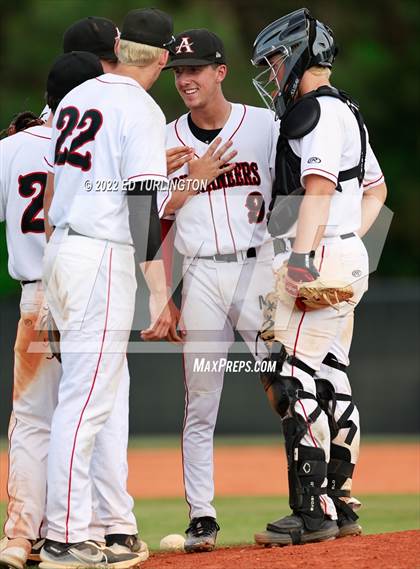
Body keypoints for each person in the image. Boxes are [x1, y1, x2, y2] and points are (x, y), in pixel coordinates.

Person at [40, 8, 174, 568]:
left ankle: (113, 529)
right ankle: (65, 536)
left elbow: (54, 195)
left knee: (99, 394)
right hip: (101, 256)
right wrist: (158, 287)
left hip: (66, 249)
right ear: (160, 60)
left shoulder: (75, 99)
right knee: (86, 399)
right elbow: (143, 201)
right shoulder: (139, 107)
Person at [250, 8, 387, 546]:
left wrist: (305, 258)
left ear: (301, 58)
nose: (274, 73)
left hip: (317, 255)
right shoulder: (347, 109)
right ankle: (340, 501)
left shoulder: (316, 112)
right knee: (329, 373)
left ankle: (312, 510)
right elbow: (376, 190)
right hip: (344, 251)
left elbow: (319, 189)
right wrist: (350, 241)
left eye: (278, 60)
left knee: (290, 375)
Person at [163, 28, 279, 552]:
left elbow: (297, 188)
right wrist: (194, 178)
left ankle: (316, 498)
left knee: (288, 386)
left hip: (262, 269)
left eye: (196, 69)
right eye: (179, 71)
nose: (186, 79)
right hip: (204, 274)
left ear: (220, 72)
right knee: (202, 400)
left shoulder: (264, 125)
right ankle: (203, 516)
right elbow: (153, 215)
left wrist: (298, 264)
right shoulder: (164, 140)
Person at [0, 52, 106, 569]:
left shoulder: (14, 147)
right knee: (89, 414)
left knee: (31, 420)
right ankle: (89, 532)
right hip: (85, 288)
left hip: (34, 293)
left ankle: (21, 538)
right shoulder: (94, 147)